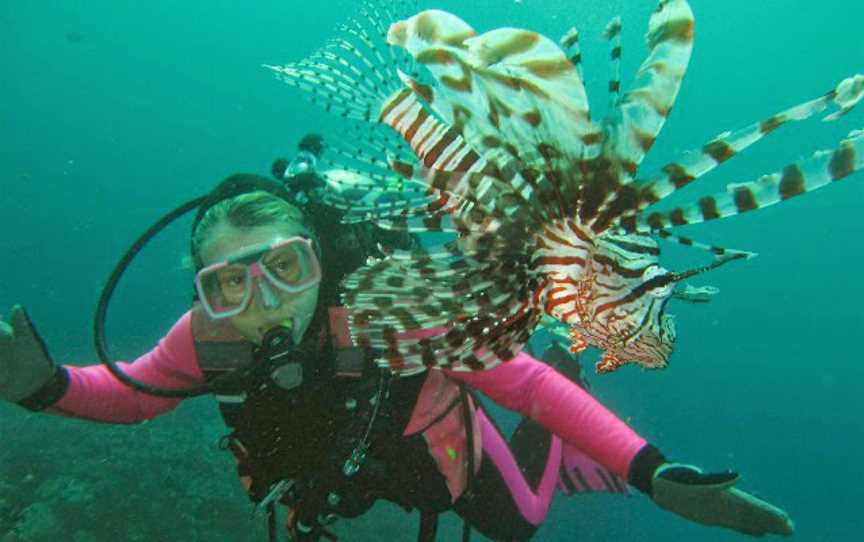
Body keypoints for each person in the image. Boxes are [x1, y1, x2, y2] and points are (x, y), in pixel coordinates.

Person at [0, 138, 794, 541]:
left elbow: (518, 384)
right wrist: (47, 386)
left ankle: (559, 427)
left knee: (520, 526)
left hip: (435, 451)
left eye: (284, 266)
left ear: (320, 256)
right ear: (200, 290)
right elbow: (136, 394)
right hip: (342, 470)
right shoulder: (207, 339)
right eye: (228, 283)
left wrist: (649, 472)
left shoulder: (388, 306)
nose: (263, 301)